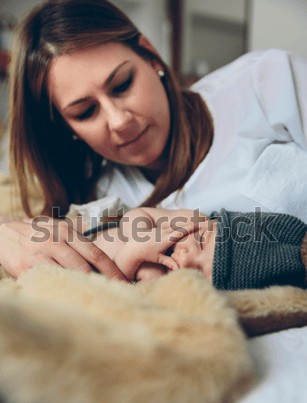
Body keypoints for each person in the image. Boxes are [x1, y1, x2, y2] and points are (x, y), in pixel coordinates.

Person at [1, 0, 307, 280]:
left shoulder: (266, 81)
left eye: (122, 84)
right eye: (86, 112)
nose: (120, 121)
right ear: (67, 127)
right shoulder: (101, 196)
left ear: (151, 57)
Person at [92, 207, 307, 290]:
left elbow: (115, 293)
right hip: (90, 227)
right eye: (202, 241)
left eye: (198, 273)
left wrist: (133, 256)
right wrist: (141, 234)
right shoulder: (191, 221)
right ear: (213, 221)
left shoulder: (165, 286)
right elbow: (137, 214)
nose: (186, 260)